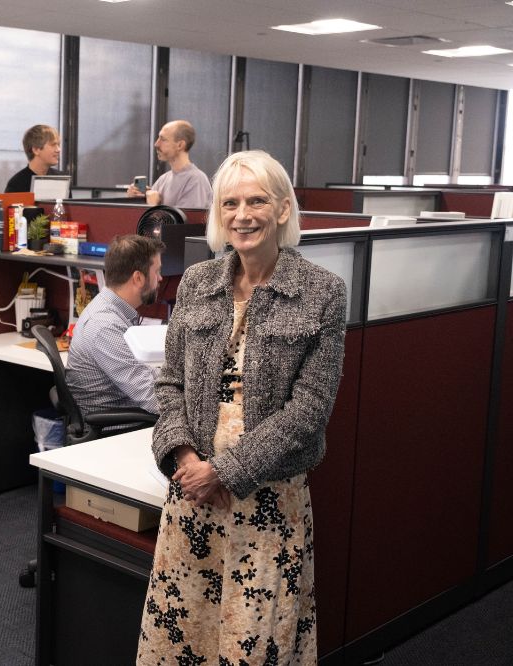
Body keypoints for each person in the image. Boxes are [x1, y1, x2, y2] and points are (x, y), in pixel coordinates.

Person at [136, 150, 346, 664]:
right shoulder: (197, 284)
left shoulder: (322, 293)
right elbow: (169, 384)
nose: (242, 214)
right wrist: (186, 461)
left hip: (266, 502)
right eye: (230, 203)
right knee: (182, 636)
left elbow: (309, 411)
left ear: (282, 210)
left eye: (257, 201)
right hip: (193, 495)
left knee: (252, 644)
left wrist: (224, 471)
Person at [66, 233, 164, 419]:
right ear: (138, 278)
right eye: (156, 271)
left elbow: (144, 373)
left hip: (127, 412)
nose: (160, 279)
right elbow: (154, 399)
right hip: (120, 429)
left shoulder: (112, 312)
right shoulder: (104, 326)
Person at [126, 120, 212, 209]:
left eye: (163, 139)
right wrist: (136, 199)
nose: (156, 144)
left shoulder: (196, 180)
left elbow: (186, 221)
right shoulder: (163, 179)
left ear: (180, 145)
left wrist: (153, 206)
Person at [4, 124, 63, 193]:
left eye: (58, 145)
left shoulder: (61, 179)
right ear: (36, 150)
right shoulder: (17, 184)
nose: (58, 150)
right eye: (53, 145)